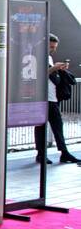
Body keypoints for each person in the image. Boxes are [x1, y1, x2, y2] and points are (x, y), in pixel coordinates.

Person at [37, 35, 78, 165]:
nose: (53, 49)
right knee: (44, 126)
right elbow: (39, 74)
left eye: (54, 47)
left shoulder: (48, 57)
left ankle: (61, 152)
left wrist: (57, 68)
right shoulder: (38, 56)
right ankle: (45, 154)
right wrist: (54, 68)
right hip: (43, 98)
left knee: (55, 125)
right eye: (51, 47)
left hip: (52, 97)